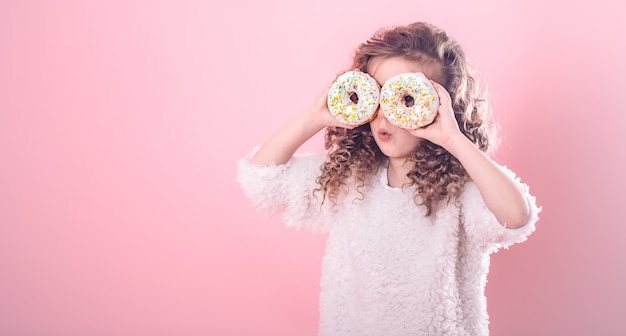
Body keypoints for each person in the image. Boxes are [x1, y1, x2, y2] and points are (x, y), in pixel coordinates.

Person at [236, 21, 540, 336]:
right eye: (377, 95)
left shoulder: (461, 189)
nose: (385, 114)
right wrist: (313, 118)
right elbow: (261, 179)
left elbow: (515, 217)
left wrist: (452, 139)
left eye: (406, 100)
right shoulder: (349, 179)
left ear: (443, 108)